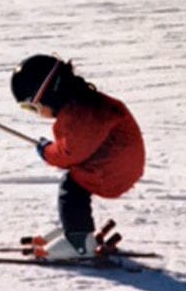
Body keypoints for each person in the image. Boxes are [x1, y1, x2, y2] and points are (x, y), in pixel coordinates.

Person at [10, 54, 145, 258]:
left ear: (49, 95)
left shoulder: (83, 115)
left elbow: (68, 154)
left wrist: (46, 151)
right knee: (75, 184)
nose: (36, 113)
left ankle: (79, 241)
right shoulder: (81, 105)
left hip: (112, 170)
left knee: (71, 188)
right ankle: (74, 229)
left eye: (33, 107)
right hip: (115, 162)